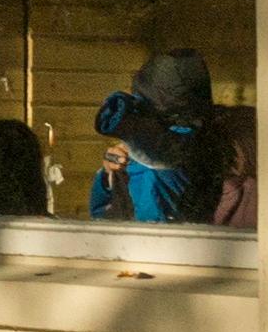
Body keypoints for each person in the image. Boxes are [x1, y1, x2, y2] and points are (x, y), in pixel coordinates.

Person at [88, 49, 237, 226]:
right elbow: (101, 215)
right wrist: (108, 176)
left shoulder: (169, 155)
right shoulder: (149, 151)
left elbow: (152, 237)